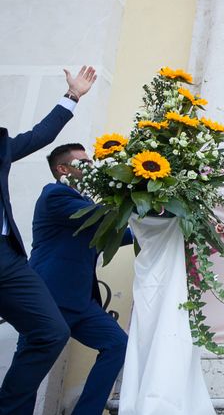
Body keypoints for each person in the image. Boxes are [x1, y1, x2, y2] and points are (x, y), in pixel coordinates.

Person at [0, 66, 97, 415]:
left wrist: (72, 96)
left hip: (6, 259)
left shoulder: (1, 146)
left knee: (50, 331)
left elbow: (40, 136)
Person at [26, 143, 133, 414]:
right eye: (83, 162)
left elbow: (117, 234)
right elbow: (101, 220)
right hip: (48, 297)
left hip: (80, 302)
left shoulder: (84, 202)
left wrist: (158, 228)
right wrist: (131, 194)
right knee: (28, 369)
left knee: (117, 345)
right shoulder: (55, 194)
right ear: (63, 169)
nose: (90, 166)